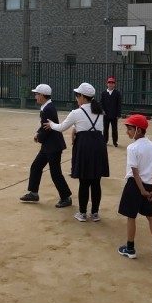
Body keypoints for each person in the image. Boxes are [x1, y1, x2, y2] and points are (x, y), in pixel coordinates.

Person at [44, 83, 109, 222]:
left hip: (84, 146)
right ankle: (95, 213)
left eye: (77, 95)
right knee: (96, 182)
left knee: (84, 182)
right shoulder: (100, 111)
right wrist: (76, 127)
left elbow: (61, 127)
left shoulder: (76, 113)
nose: (76, 98)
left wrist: (51, 124)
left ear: (83, 97)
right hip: (99, 146)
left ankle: (83, 213)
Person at [117, 114, 152, 260]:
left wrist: (142, 190)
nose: (127, 132)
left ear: (138, 130)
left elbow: (135, 172)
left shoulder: (132, 148)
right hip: (149, 184)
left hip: (134, 186)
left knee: (131, 216)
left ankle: (130, 248)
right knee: (151, 216)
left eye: (129, 129)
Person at [20, 84, 73, 208]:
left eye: (37, 94)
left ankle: (66, 197)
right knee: (36, 166)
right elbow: (44, 126)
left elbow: (47, 129)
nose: (35, 96)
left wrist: (39, 137)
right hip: (48, 146)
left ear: (42, 95)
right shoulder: (46, 106)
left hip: (53, 146)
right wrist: (38, 133)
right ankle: (33, 193)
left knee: (55, 173)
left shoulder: (48, 108)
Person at [100, 77, 122, 147]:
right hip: (106, 114)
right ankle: (105, 141)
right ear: (107, 84)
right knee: (105, 129)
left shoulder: (117, 93)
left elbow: (119, 104)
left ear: (114, 84)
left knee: (114, 129)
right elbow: (101, 103)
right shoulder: (103, 93)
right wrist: (102, 110)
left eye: (112, 83)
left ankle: (115, 142)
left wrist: (118, 114)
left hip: (114, 115)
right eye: (109, 83)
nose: (111, 84)